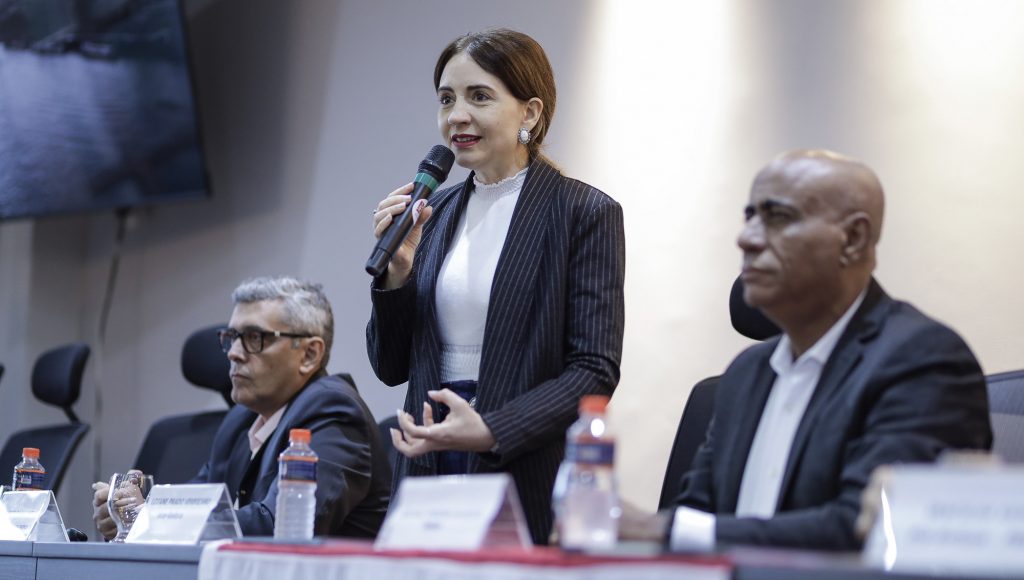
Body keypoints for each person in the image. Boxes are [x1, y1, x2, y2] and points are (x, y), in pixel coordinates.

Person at [627, 149, 992, 550]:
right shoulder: (746, 373)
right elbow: (695, 512)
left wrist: (661, 528)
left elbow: (866, 529)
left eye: (778, 217)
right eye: (750, 217)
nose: (746, 238)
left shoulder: (923, 360)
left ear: (853, 239)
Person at [367, 28, 625, 544]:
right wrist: (397, 274)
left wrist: (492, 429)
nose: (455, 116)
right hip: (428, 463)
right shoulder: (431, 215)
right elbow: (392, 367)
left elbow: (594, 369)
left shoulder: (584, 212)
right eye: (446, 99)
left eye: (478, 96)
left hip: (523, 460)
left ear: (529, 113)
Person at [93, 276, 391, 539]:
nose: (234, 354)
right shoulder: (241, 420)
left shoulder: (334, 411)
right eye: (232, 338)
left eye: (254, 338)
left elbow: (278, 526)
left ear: (309, 354)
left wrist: (149, 518)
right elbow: (193, 502)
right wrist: (128, 508)